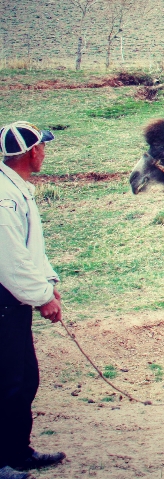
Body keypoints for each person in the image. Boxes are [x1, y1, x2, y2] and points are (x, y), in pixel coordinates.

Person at [0, 122, 67, 479]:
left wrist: (47, 283)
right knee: (7, 381)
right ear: (31, 152)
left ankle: (18, 452)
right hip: (4, 301)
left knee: (24, 379)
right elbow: (8, 260)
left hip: (14, 301)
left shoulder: (17, 188)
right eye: (42, 148)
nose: (44, 153)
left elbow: (31, 248)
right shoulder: (4, 198)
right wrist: (42, 297)